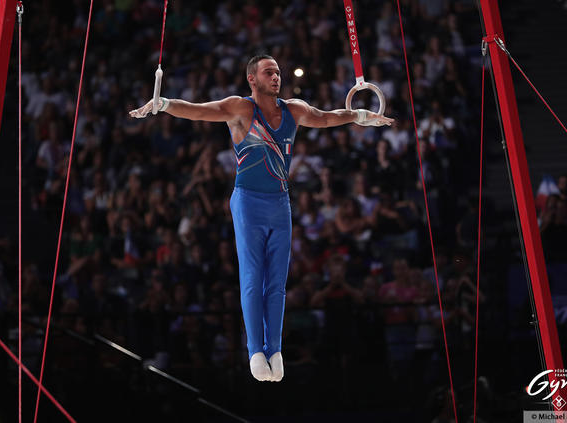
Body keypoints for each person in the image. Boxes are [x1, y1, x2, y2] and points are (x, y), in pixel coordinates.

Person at [130, 54, 393, 382]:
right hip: (248, 202)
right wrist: (164, 103)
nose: (276, 77)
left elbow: (326, 118)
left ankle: (275, 349)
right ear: (251, 79)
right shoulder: (241, 109)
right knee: (253, 277)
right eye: (269, 73)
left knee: (277, 283)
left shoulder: (294, 110)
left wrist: (362, 115)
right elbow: (198, 111)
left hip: (280, 203)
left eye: (278, 72)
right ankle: (256, 349)